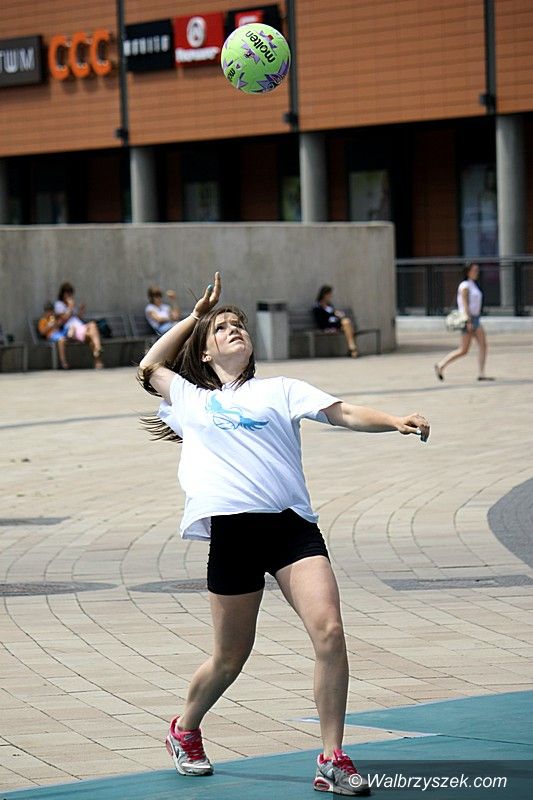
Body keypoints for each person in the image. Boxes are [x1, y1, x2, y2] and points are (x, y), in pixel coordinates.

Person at [137, 271, 430, 796]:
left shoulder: (281, 390)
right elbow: (149, 367)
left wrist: (394, 420)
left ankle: (332, 757)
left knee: (330, 631)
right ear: (204, 351)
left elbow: (343, 412)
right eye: (222, 328)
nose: (233, 330)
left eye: (238, 326)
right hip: (233, 535)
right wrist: (196, 316)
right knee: (230, 657)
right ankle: (185, 729)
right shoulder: (190, 398)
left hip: (290, 528)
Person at [434, 263, 494, 382]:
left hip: (475, 318)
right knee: (464, 349)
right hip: (469, 318)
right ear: (468, 271)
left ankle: (481, 373)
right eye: (474, 270)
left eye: (477, 270)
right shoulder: (465, 286)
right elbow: (465, 304)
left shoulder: (473, 284)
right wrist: (468, 320)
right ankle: (441, 365)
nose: (476, 272)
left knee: (481, 345)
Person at [54, 282, 104, 369]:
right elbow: (64, 319)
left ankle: (98, 348)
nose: (69, 296)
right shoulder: (59, 304)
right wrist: (70, 307)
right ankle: (98, 358)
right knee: (91, 337)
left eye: (70, 293)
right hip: (70, 330)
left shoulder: (71, 304)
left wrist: (81, 310)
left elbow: (76, 318)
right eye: (67, 293)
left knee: (92, 325)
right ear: (62, 294)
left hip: (79, 327)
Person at [313, 286, 359, 358]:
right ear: (324, 294)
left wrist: (337, 314)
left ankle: (352, 349)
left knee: (346, 323)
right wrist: (332, 316)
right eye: (329, 294)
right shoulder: (317, 306)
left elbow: (333, 313)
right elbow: (321, 321)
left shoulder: (329, 305)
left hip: (334, 324)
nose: (330, 296)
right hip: (326, 325)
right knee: (347, 324)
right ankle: (352, 349)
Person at [37, 302, 69, 369]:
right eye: (48, 312)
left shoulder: (54, 318)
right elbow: (42, 332)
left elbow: (59, 326)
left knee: (70, 329)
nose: (50, 313)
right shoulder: (43, 321)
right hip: (51, 335)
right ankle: (63, 361)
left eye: (51, 311)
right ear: (45, 312)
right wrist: (49, 326)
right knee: (61, 340)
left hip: (58, 333)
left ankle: (73, 336)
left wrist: (57, 323)